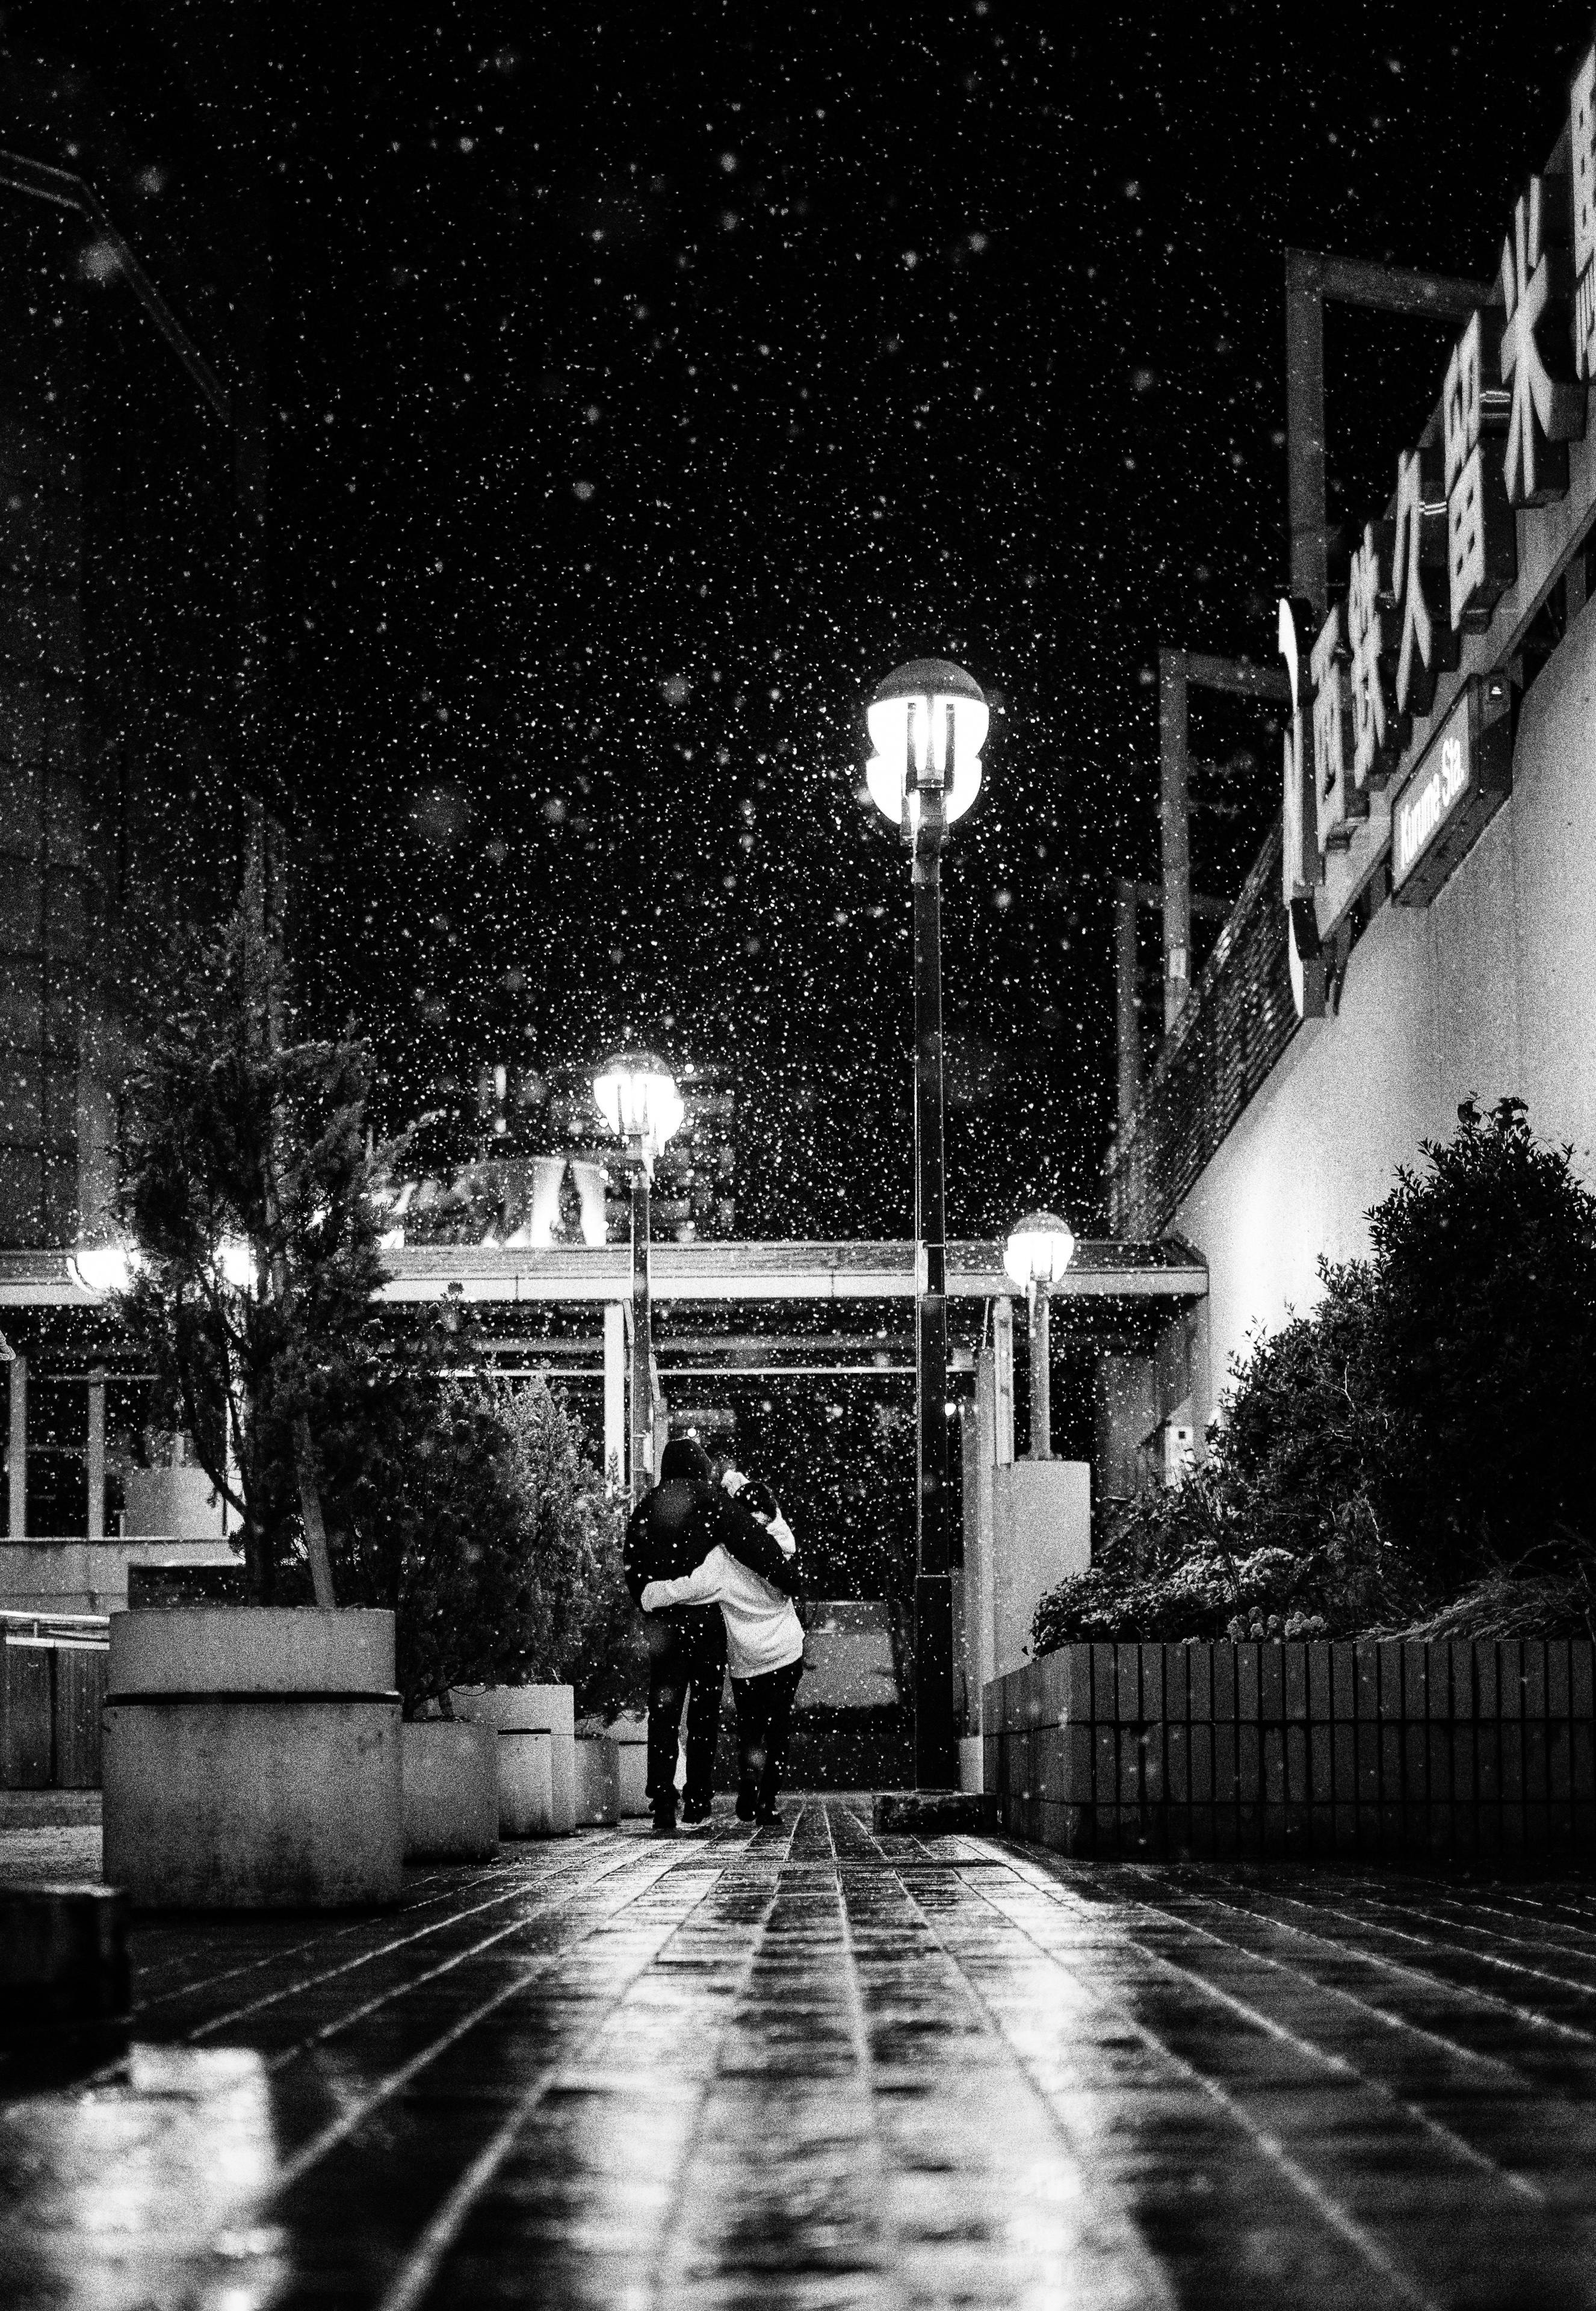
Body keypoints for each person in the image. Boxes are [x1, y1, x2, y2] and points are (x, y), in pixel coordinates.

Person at [624, 1436, 796, 1834]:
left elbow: (633, 1561)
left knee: (664, 1711)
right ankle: (698, 1797)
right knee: (704, 1713)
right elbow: (751, 1542)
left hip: (665, 1625)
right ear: (701, 1466)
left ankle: (662, 1799)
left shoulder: (647, 1507)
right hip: (706, 1625)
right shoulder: (713, 1501)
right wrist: (787, 1577)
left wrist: (646, 1598)